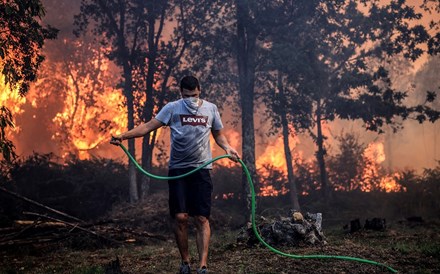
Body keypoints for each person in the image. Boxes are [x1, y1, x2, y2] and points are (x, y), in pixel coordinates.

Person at [110, 75, 240, 274]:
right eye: (188, 95)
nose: (192, 99)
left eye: (195, 95)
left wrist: (228, 148)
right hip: (178, 169)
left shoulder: (211, 108)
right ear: (181, 93)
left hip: (202, 169)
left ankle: (203, 266)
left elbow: (218, 134)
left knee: (201, 219)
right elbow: (147, 127)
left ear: (200, 90)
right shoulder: (172, 108)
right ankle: (185, 262)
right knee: (180, 217)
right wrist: (122, 135)